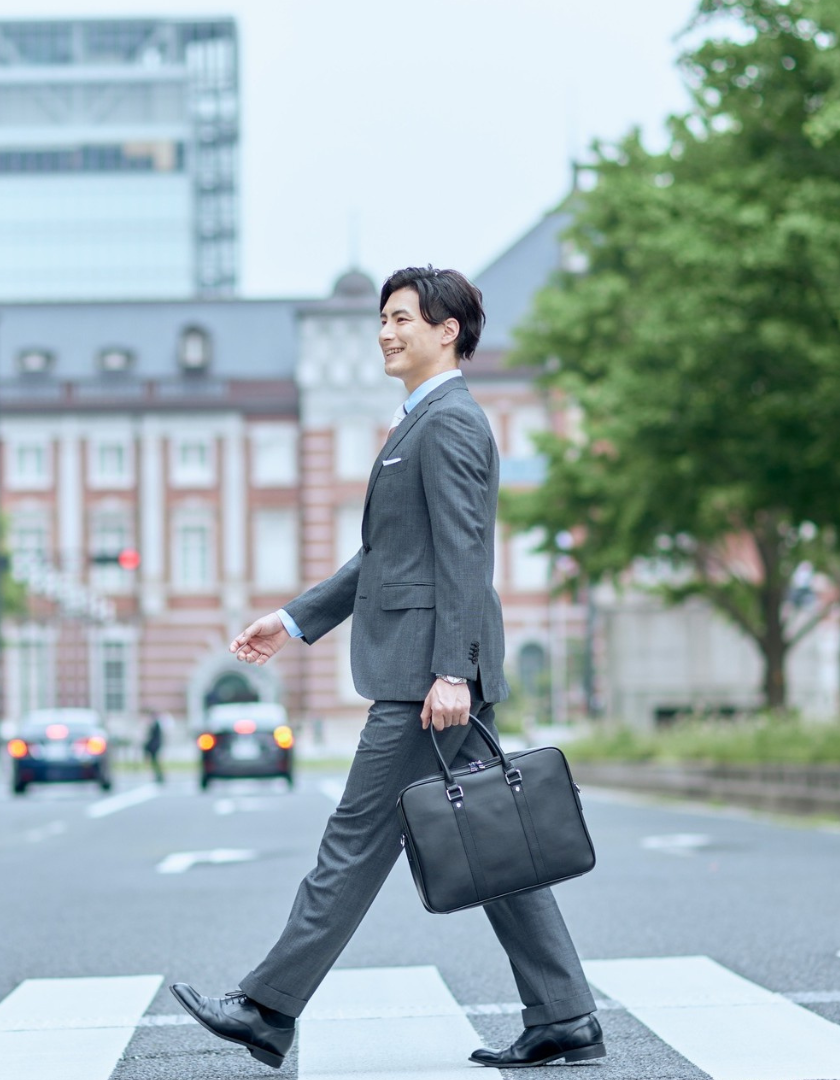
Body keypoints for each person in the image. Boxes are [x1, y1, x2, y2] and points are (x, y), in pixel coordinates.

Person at [169, 267, 602, 1070]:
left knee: (354, 843)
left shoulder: (448, 424)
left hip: (422, 683)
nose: (386, 331)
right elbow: (386, 556)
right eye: (382, 318)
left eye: (403, 317)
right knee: (495, 841)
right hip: (426, 676)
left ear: (448, 331)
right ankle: (565, 1014)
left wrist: (452, 672)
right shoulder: (422, 422)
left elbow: (465, 555)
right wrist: (296, 619)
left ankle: (266, 1007)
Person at [142, 713, 165, 784]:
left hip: (154, 747)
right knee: (155, 762)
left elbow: (154, 737)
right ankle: (158, 776)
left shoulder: (156, 725)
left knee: (155, 762)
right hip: (154, 747)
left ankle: (159, 776)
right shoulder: (156, 725)